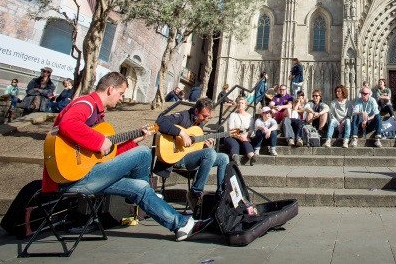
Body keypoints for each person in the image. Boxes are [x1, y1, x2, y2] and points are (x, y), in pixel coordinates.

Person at [44, 72, 204, 241]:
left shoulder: (97, 115)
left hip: (87, 175)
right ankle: (146, 195)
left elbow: (104, 156)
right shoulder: (86, 103)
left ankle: (181, 224)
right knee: (142, 153)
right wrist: (99, 141)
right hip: (71, 180)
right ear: (110, 89)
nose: (121, 98)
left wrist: (131, 142)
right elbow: (68, 124)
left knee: (139, 187)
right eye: (121, 93)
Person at [155, 96, 229, 210]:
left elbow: (193, 147)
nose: (206, 119)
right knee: (210, 153)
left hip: (189, 157)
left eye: (208, 117)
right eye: (204, 116)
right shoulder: (183, 116)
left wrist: (205, 145)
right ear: (196, 111)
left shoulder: (199, 123)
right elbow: (160, 121)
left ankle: (221, 194)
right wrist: (182, 133)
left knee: (223, 157)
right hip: (176, 158)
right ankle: (195, 192)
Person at [221, 97, 256, 165]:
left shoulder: (249, 117)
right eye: (238, 103)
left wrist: (246, 135)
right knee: (235, 144)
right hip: (231, 136)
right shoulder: (233, 115)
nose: (240, 104)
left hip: (244, 136)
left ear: (245, 104)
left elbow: (252, 129)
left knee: (246, 142)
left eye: (242, 103)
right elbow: (231, 128)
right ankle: (235, 158)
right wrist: (239, 136)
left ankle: (252, 157)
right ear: (236, 104)